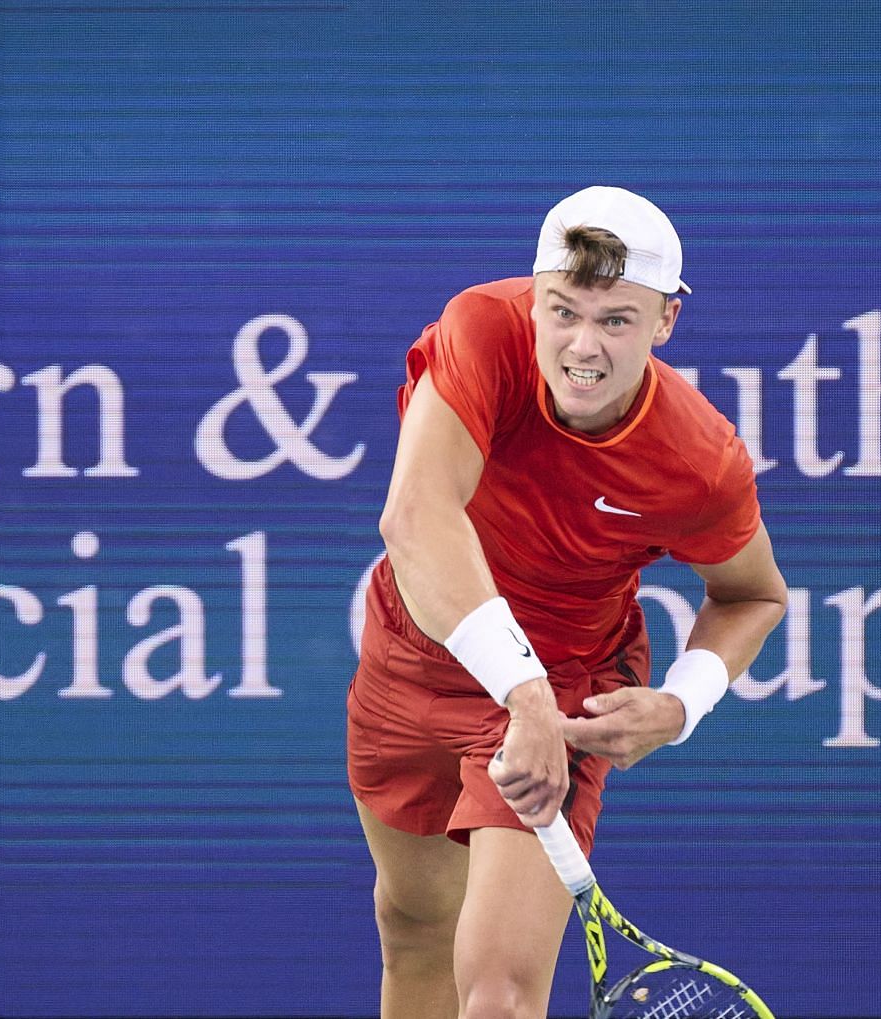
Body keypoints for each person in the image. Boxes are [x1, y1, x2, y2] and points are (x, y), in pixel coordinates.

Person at [347, 186, 789, 1019]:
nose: (582, 347)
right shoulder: (482, 327)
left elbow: (754, 593)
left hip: (567, 684)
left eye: (618, 321)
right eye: (563, 311)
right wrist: (519, 692)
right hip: (414, 659)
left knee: (501, 997)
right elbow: (415, 516)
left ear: (666, 321)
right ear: (535, 297)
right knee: (411, 924)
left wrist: (681, 703)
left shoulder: (698, 460)